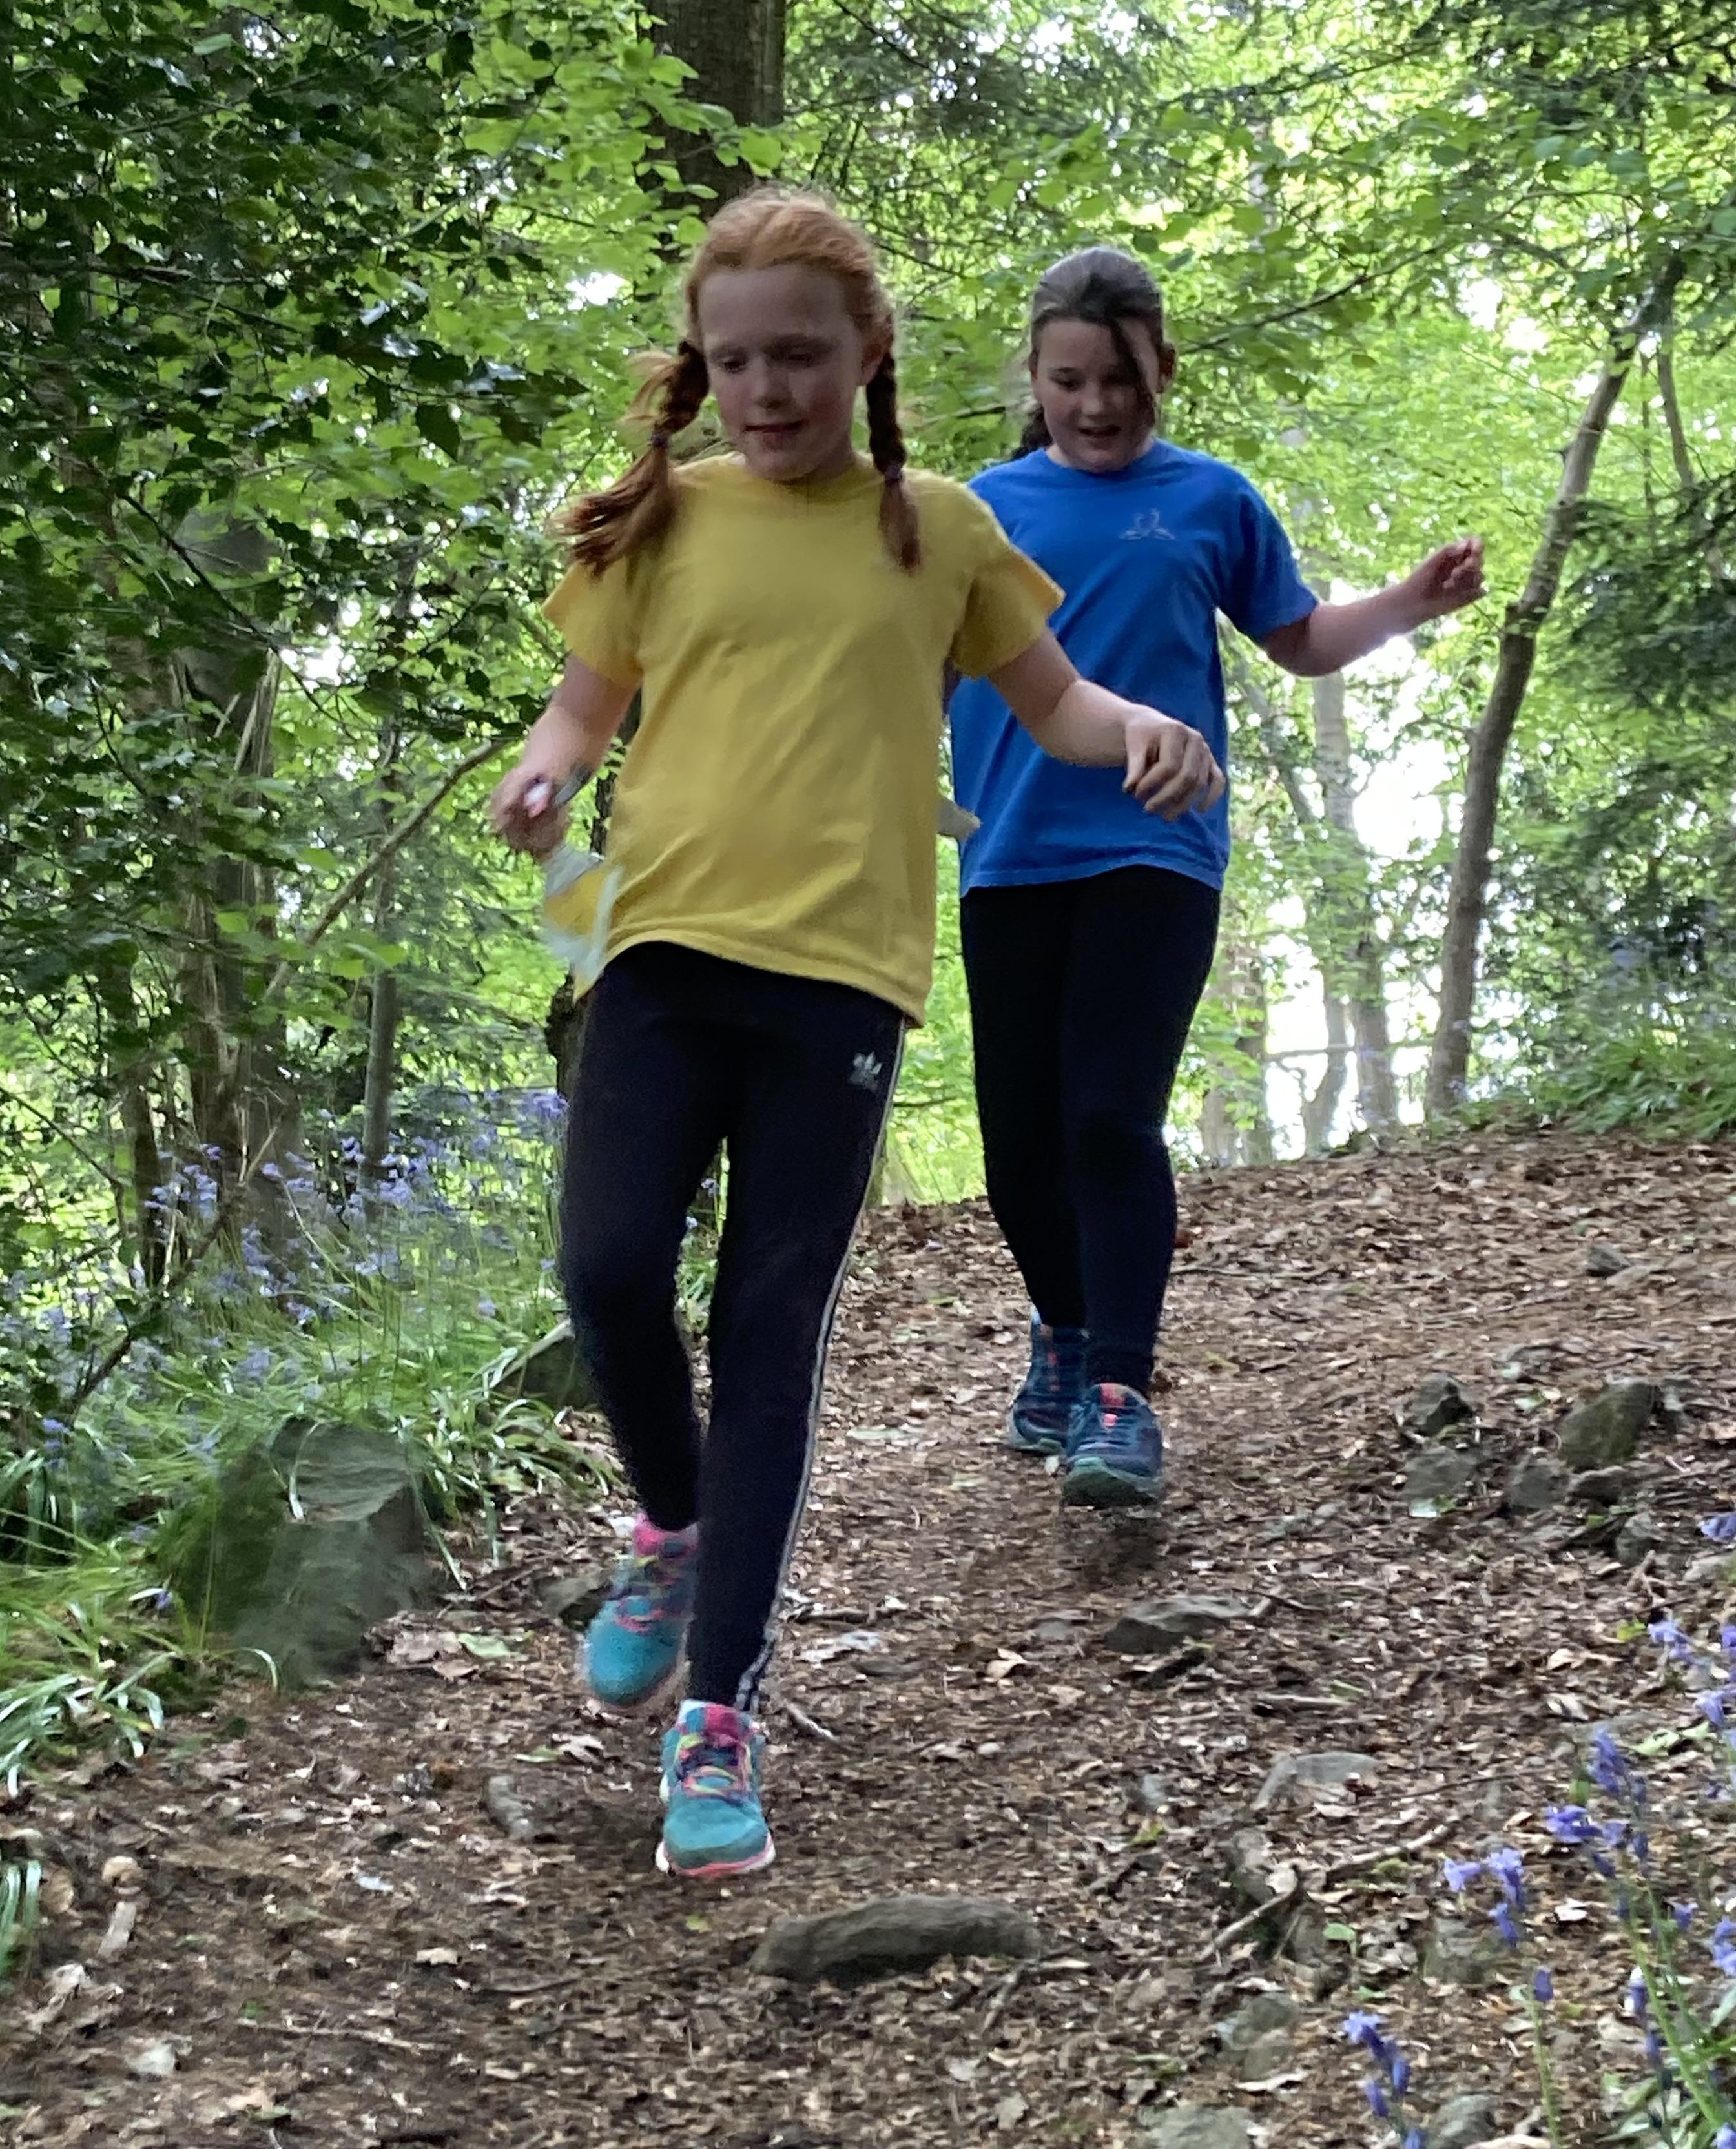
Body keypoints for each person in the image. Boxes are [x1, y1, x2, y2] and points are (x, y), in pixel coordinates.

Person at [489, 192, 1224, 1881]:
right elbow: (582, 710)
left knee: (769, 1331)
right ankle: (672, 1523)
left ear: (867, 353)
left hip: (839, 980)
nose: (770, 388)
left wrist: (1148, 733)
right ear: (704, 363)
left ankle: (718, 1712)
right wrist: (542, 777)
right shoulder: (663, 518)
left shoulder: (943, 530)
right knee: (607, 1267)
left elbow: (1056, 701)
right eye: (738, 358)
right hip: (656, 954)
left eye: (801, 356)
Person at [949, 245, 1485, 1510]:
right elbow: (907, 667)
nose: (1095, 404)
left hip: (1158, 846)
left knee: (1105, 1116)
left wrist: (1406, 602)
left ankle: (1118, 1392)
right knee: (1018, 1146)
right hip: (1006, 851)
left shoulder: (1211, 499)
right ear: (1034, 379)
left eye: (1120, 379)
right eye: (1069, 381)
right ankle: (1065, 1333)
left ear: (1163, 373)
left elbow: (1300, 639)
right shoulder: (976, 513)